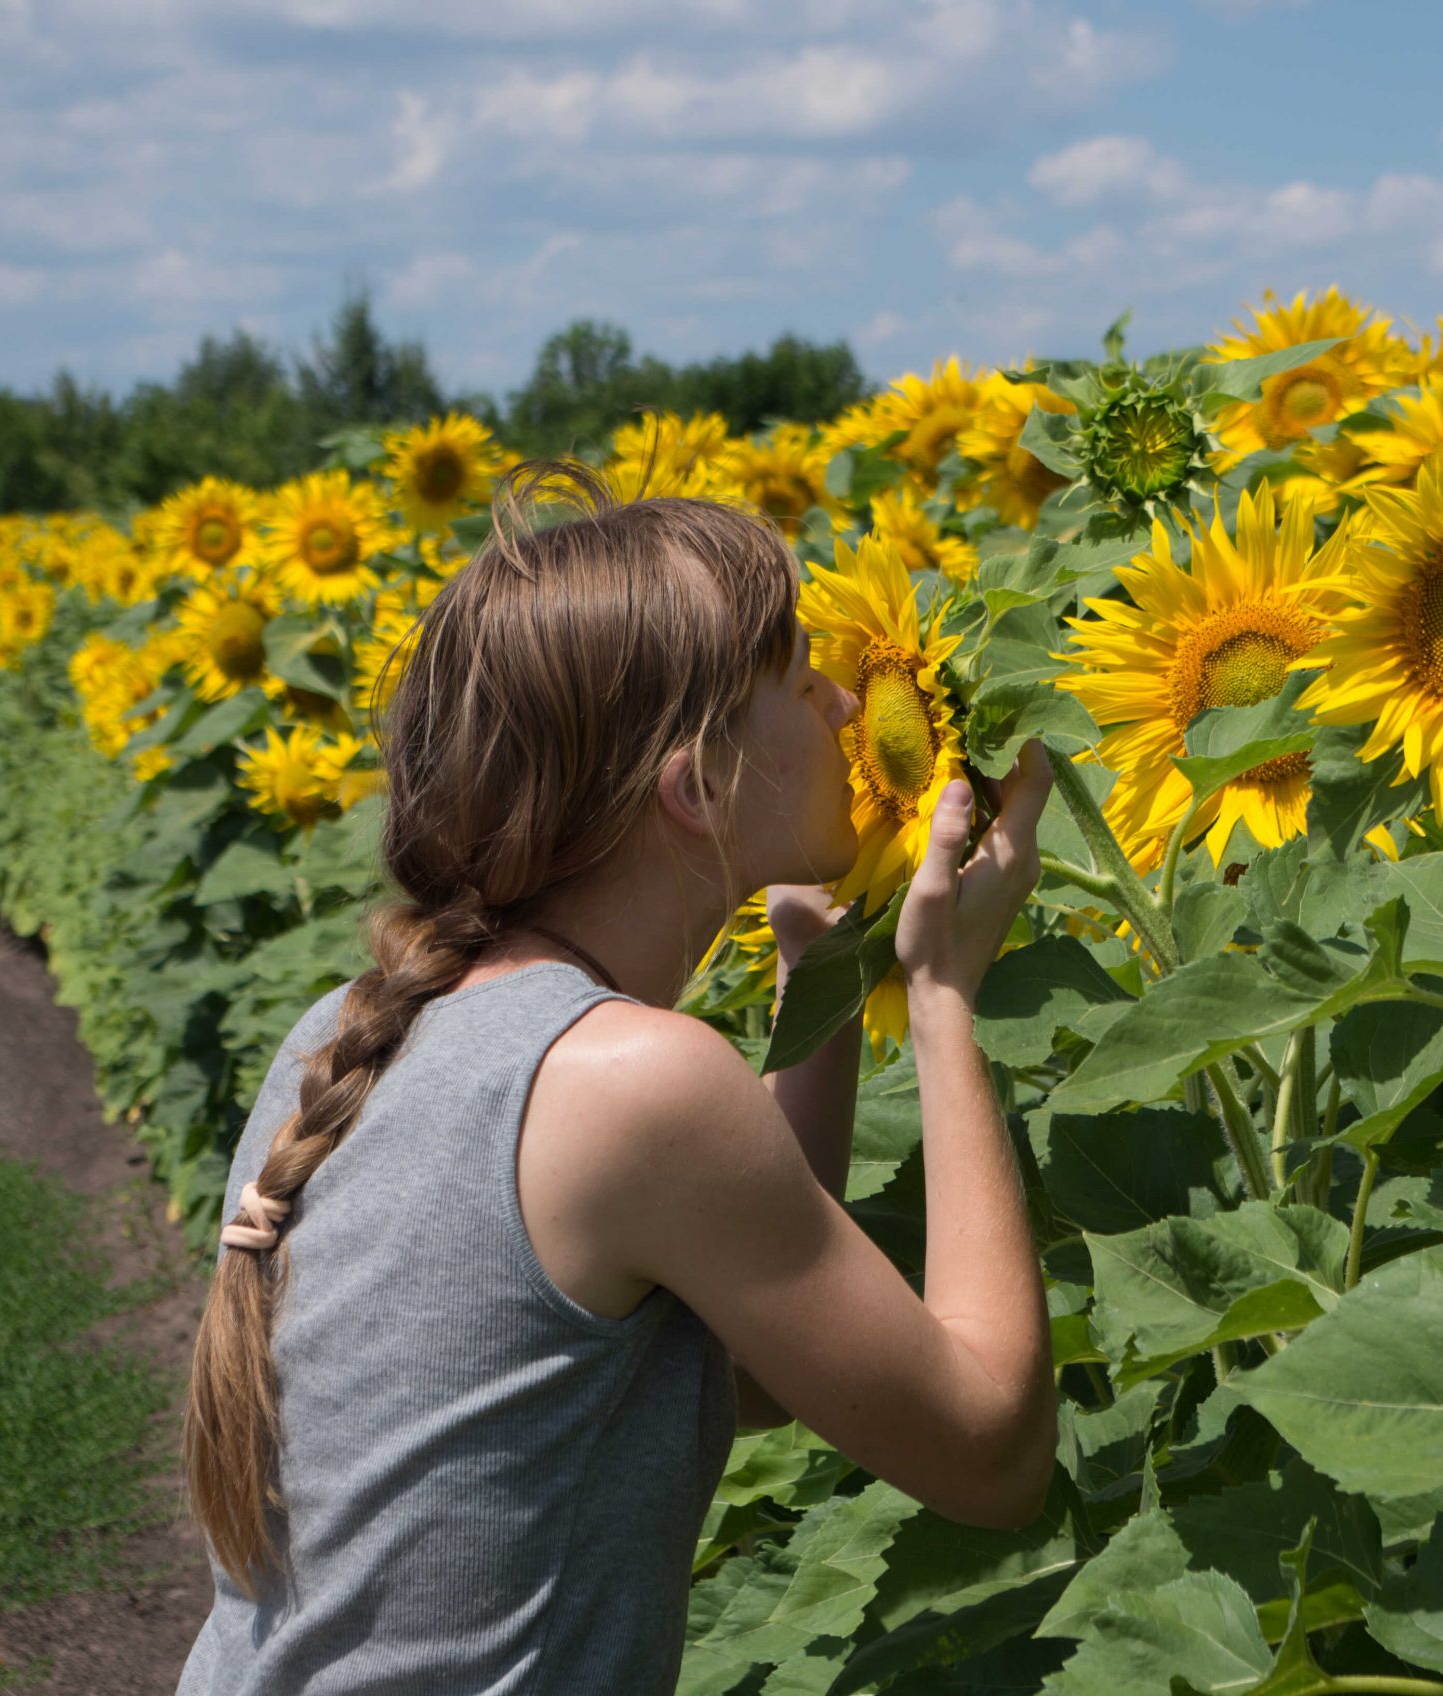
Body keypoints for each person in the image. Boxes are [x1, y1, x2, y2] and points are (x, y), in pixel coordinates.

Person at [174, 461, 1059, 1695]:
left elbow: (743, 1360)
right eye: (801, 681)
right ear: (695, 788)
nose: (854, 704)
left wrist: (821, 977)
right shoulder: (634, 1083)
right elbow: (995, 1456)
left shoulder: (351, 1031)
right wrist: (942, 996)